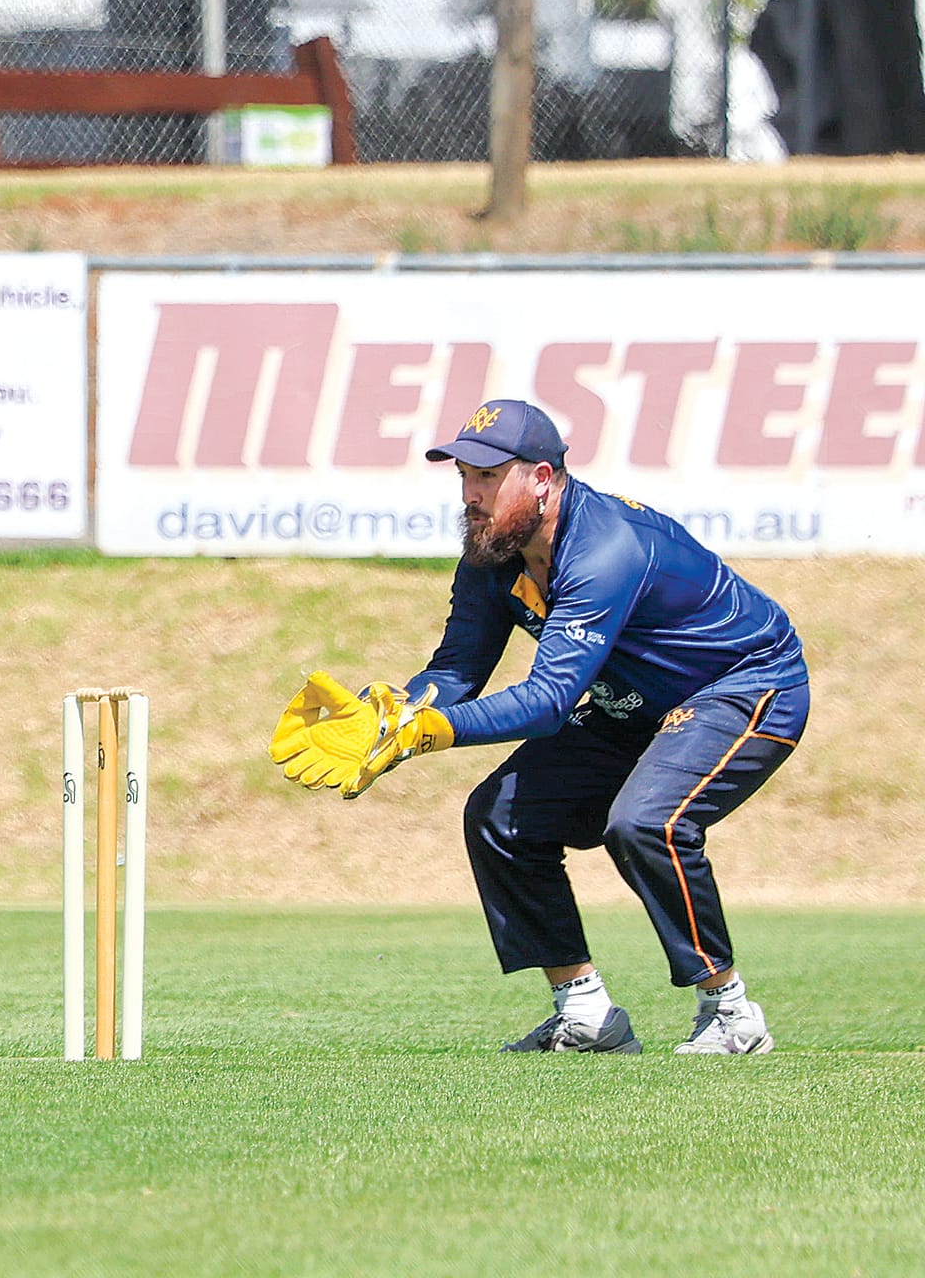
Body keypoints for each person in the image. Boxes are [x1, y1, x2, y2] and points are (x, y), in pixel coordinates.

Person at [268, 398, 808, 1056]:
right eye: (465, 476)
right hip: (630, 702)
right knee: (498, 816)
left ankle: (731, 1014)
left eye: (488, 477)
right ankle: (585, 1014)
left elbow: (550, 700)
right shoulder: (492, 554)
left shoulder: (605, 549)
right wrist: (391, 715)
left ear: (543, 478)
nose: (471, 494)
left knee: (646, 823)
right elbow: (458, 667)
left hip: (745, 684)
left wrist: (427, 730)